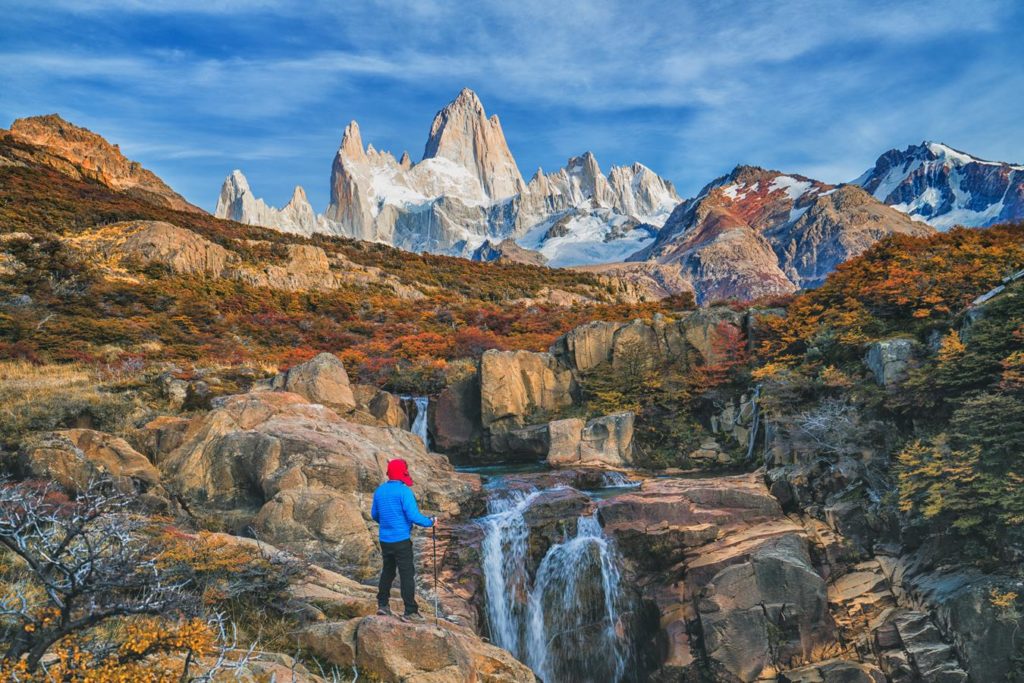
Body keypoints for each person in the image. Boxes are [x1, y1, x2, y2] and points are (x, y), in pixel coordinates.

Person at [371, 458, 435, 622]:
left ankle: (383, 605)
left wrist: (387, 524)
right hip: (401, 540)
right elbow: (413, 516)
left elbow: (374, 515)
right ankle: (410, 612)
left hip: (385, 540)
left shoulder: (379, 491)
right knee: (407, 574)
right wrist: (430, 522)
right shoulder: (404, 491)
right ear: (403, 473)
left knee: (388, 571)